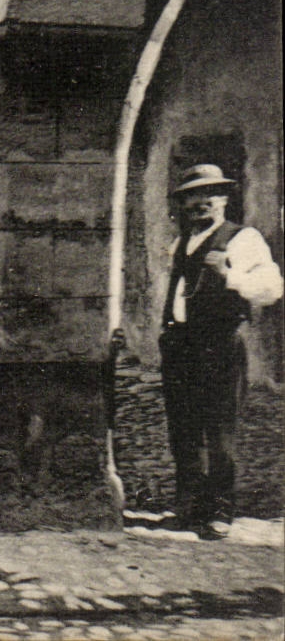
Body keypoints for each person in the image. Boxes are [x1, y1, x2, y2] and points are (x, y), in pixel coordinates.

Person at [158, 164, 282, 538]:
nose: (200, 202)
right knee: (183, 427)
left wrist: (230, 275)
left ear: (224, 199)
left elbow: (272, 287)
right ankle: (189, 507)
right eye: (192, 196)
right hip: (181, 345)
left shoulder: (243, 239)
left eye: (209, 194)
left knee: (220, 428)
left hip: (220, 344)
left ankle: (220, 513)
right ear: (183, 203)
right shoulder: (179, 244)